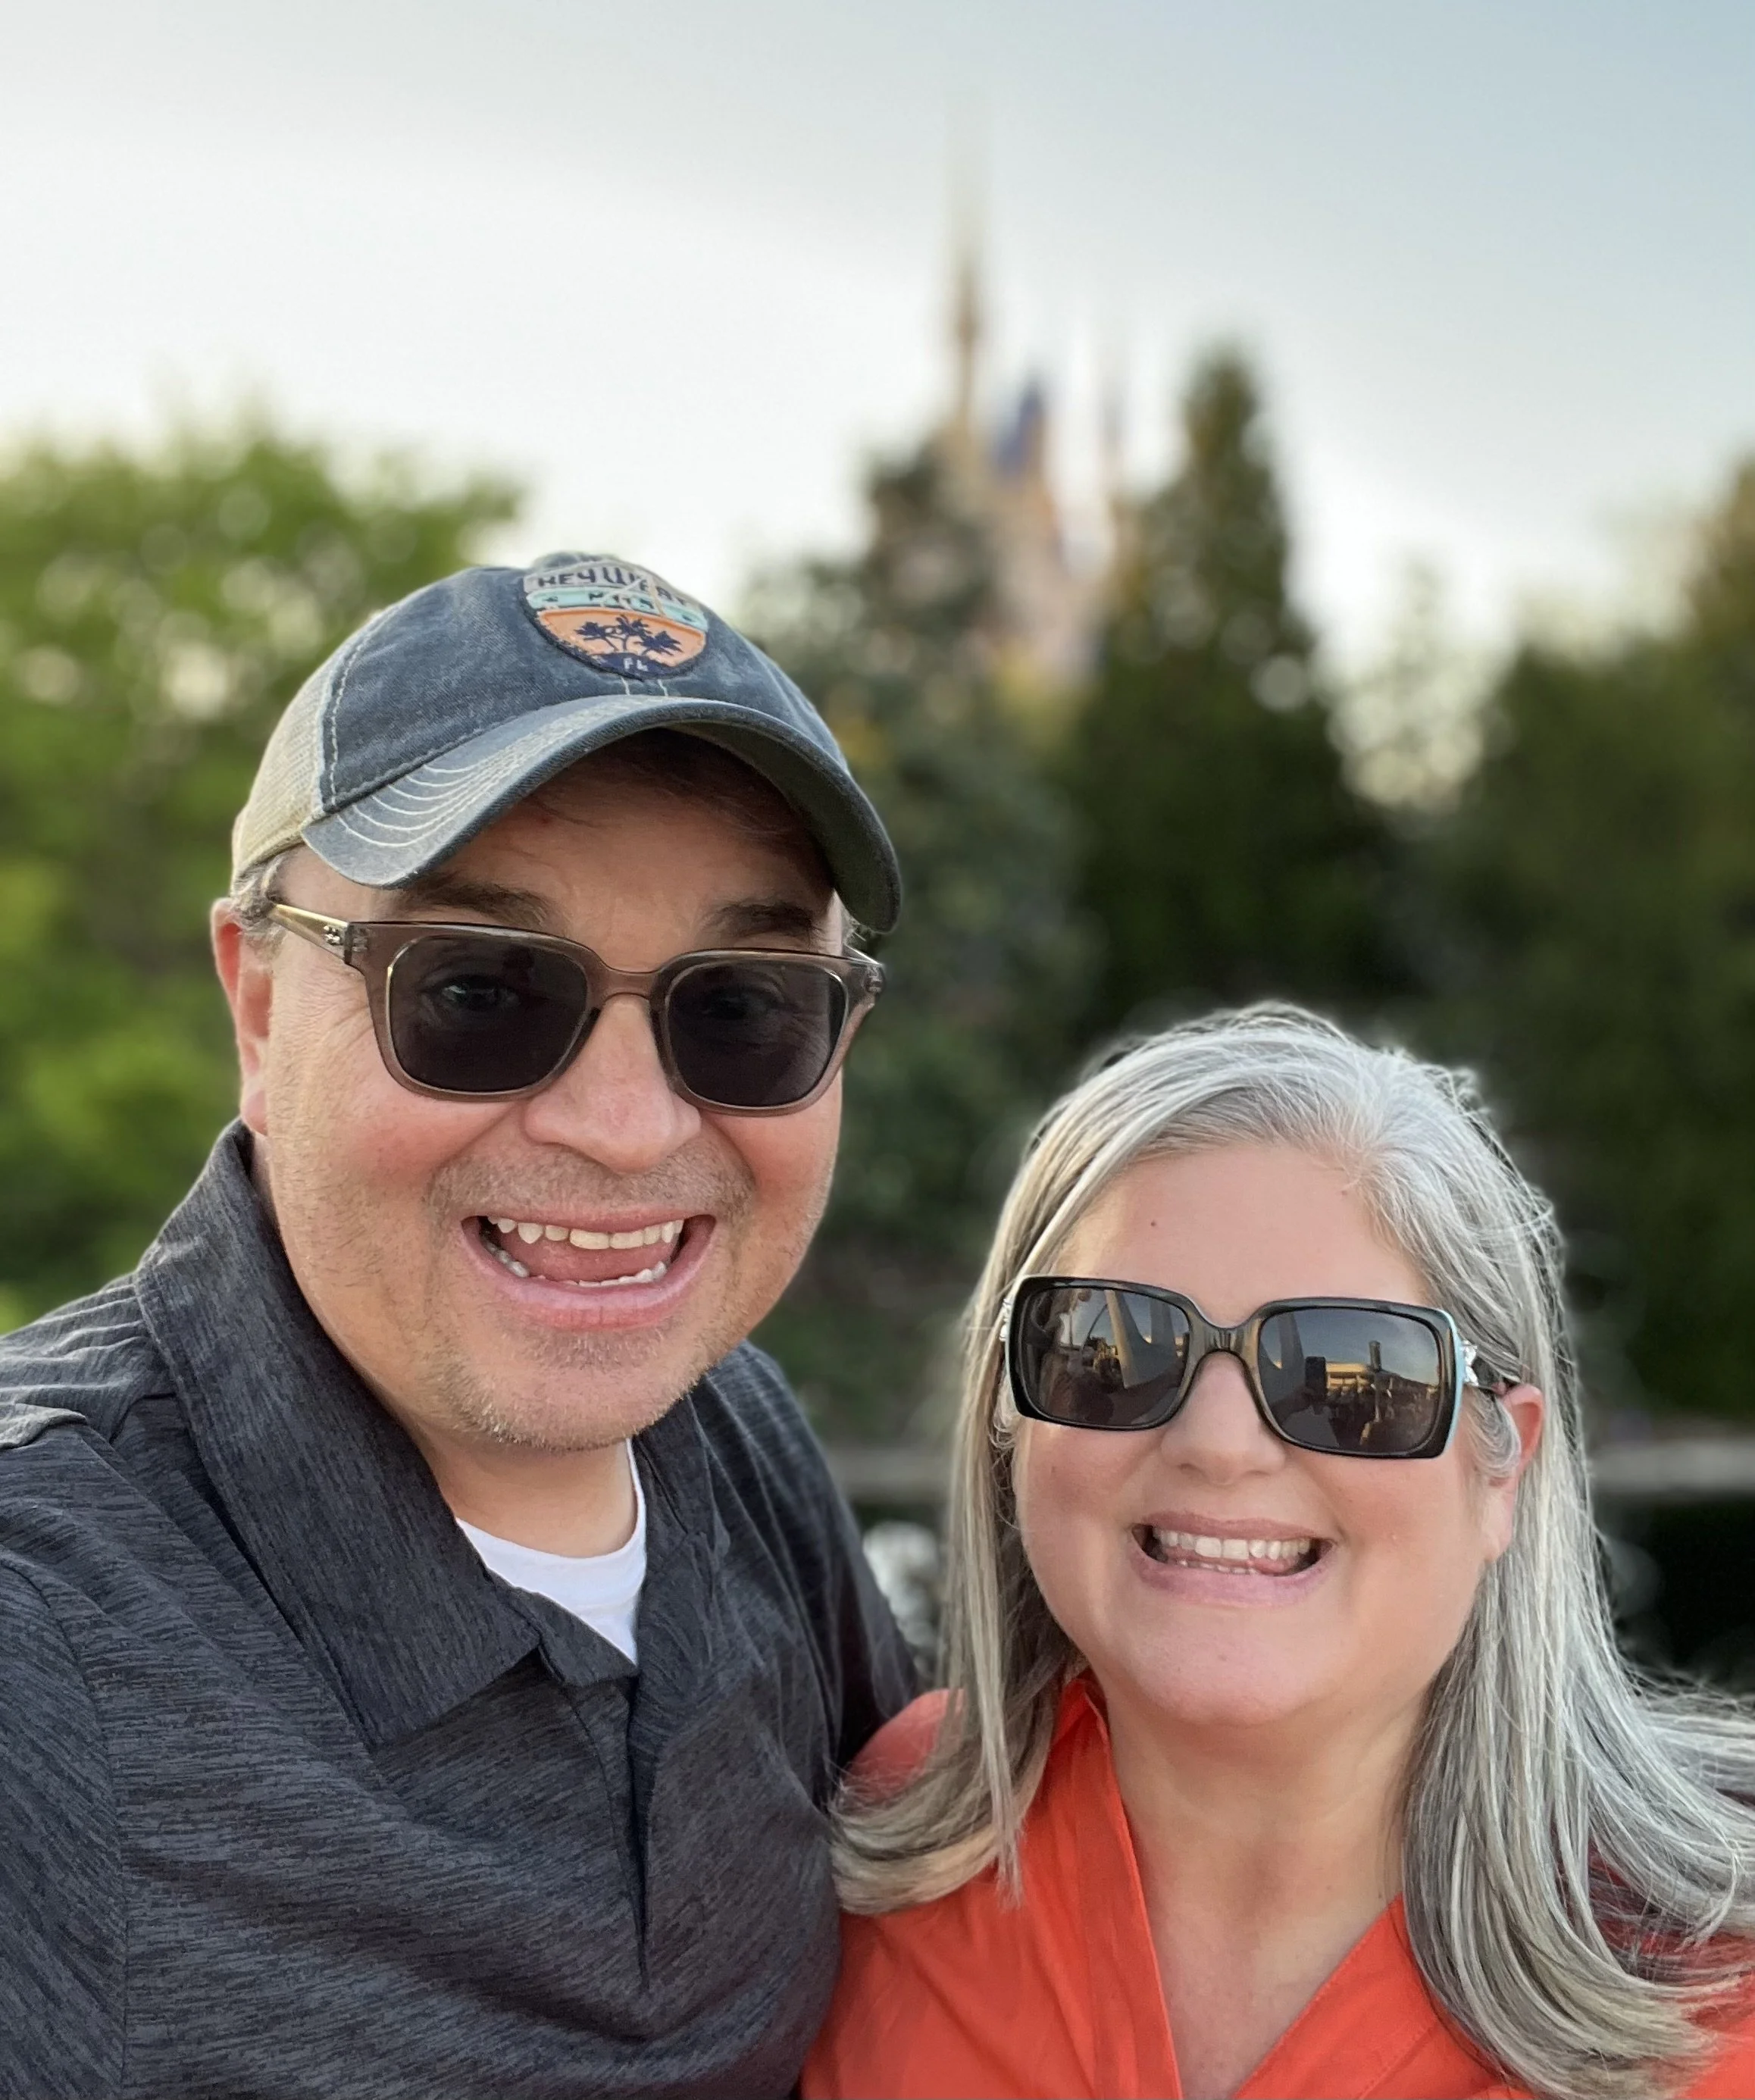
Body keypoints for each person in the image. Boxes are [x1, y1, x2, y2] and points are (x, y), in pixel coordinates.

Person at [0, 552, 916, 2098]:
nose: (627, 1126)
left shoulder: (737, 1438)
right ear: (260, 1006)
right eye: (481, 992)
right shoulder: (40, 1643)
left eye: (741, 1006)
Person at [805, 1008, 1755, 2100]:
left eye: (1349, 1371)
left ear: (1504, 1468)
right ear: (1009, 1412)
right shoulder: (870, 1847)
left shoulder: (1722, 2002)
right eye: (1112, 1346)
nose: (1218, 1445)